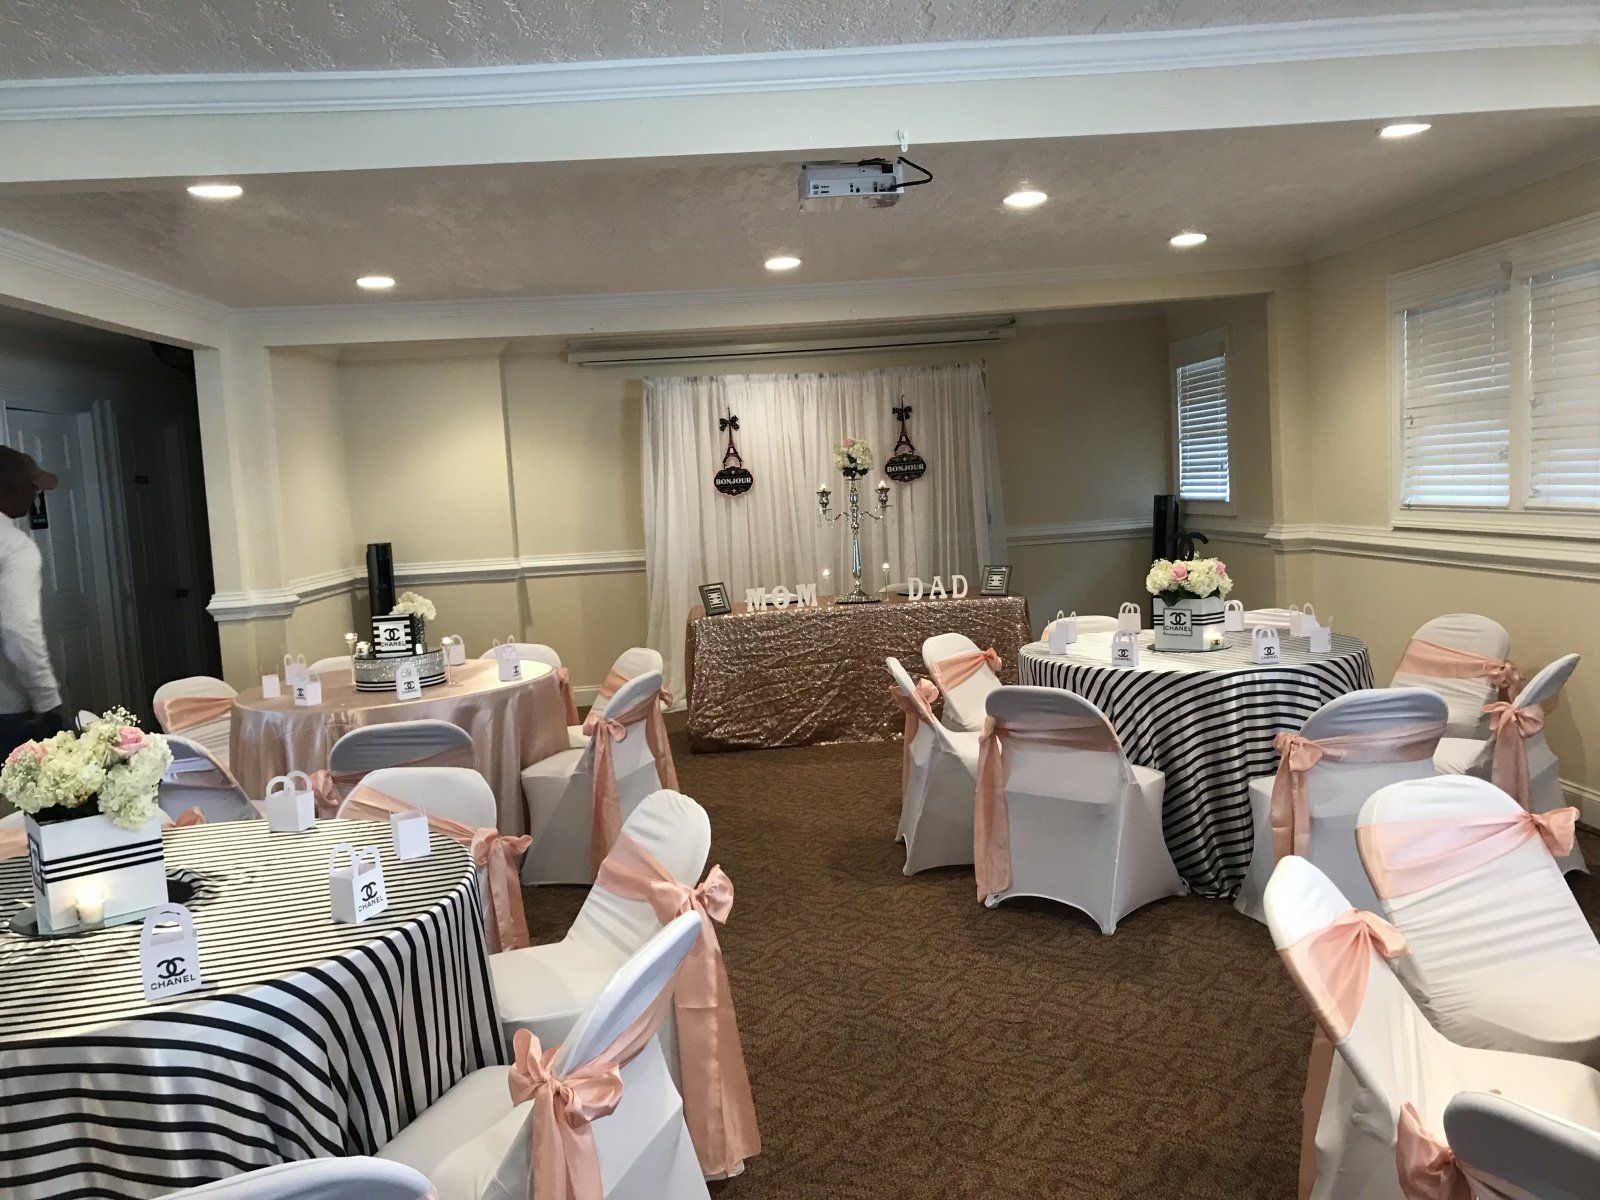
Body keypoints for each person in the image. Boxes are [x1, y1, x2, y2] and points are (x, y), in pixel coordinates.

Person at [0, 445, 63, 755]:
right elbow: (19, 629)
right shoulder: (14, 547)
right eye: (32, 486)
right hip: (7, 707)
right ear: (9, 489)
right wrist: (46, 700)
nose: (35, 495)